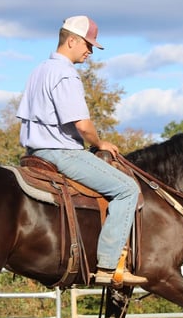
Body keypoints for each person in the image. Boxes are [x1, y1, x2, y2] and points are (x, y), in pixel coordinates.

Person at [16, 15, 147, 287]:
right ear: (72, 40)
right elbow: (83, 125)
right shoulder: (65, 74)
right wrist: (100, 144)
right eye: (88, 45)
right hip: (61, 152)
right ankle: (108, 267)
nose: (90, 51)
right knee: (127, 190)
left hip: (34, 152)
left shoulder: (40, 69)